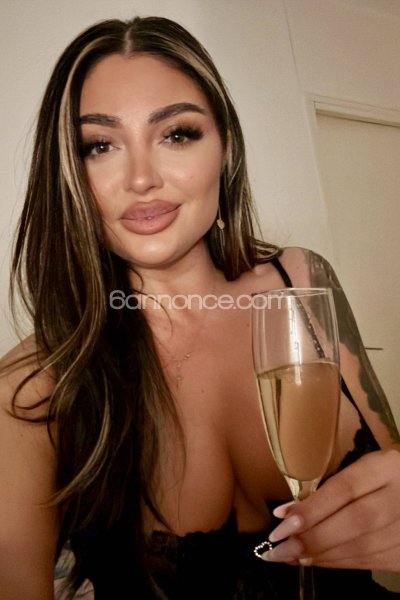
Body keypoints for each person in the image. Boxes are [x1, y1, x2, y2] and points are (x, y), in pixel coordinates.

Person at [0, 14, 399, 600]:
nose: (141, 178)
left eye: (177, 134)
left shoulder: (302, 282)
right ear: (69, 174)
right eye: (99, 146)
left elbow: (388, 472)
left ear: (225, 147)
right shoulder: (30, 387)